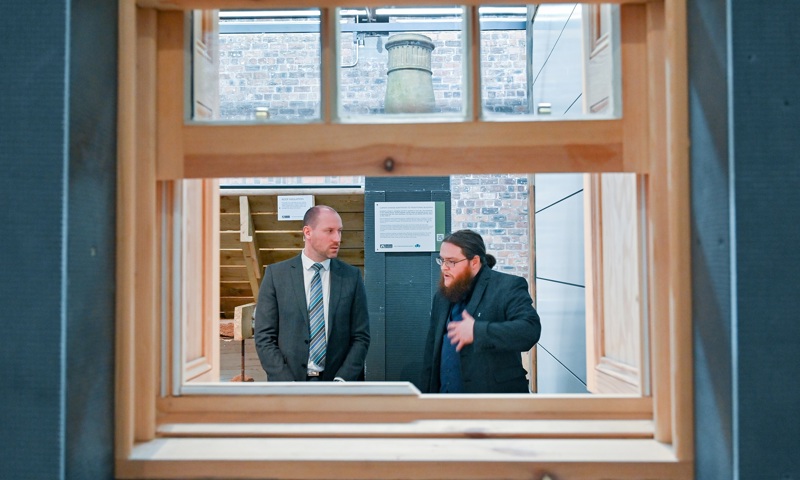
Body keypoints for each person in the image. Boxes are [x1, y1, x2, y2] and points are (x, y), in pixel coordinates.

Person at [254, 205, 370, 382]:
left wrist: (343, 379)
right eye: (329, 231)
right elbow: (264, 336)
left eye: (339, 231)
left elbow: (360, 336)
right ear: (308, 232)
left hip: (337, 385)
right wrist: (285, 382)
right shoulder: (276, 275)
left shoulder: (351, 277)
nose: (337, 238)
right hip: (289, 385)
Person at [421, 229, 541, 393]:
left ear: (474, 262)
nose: (444, 268)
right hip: (445, 405)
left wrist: (477, 331)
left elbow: (529, 330)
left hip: (494, 407)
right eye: (442, 260)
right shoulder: (442, 297)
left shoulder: (507, 286)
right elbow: (431, 355)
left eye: (451, 261)